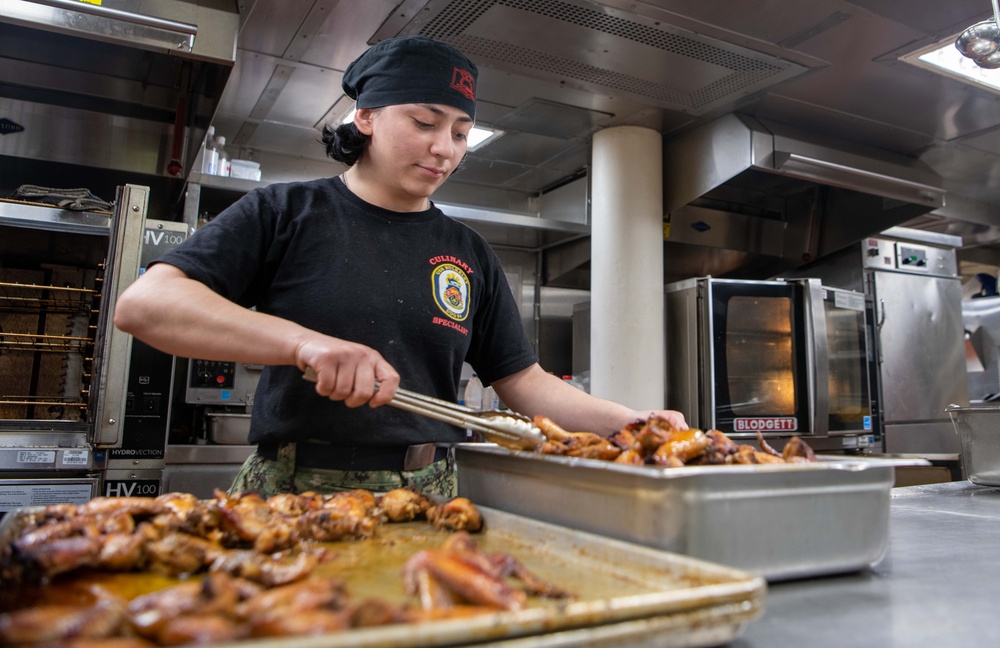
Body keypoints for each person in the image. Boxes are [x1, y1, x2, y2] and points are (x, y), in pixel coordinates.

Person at [113, 35, 687, 497]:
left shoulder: (469, 253)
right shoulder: (285, 212)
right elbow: (147, 305)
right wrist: (303, 344)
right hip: (292, 490)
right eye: (425, 122)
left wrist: (630, 422)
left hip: (429, 491)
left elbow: (524, 383)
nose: (446, 148)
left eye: (462, 133)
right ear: (366, 116)